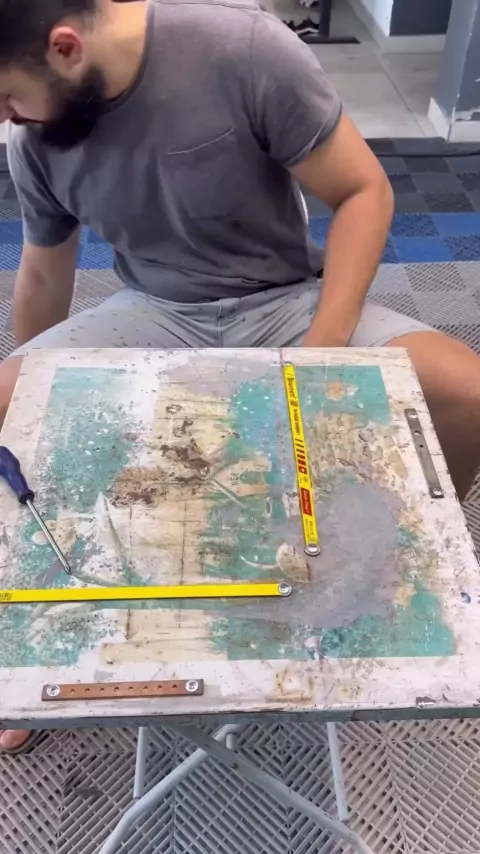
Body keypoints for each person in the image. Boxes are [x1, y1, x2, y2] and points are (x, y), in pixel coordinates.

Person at [0, 0, 479, 754]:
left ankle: (387, 563)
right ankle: (30, 649)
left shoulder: (245, 48)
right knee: (5, 413)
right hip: (157, 310)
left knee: (469, 396)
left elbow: (365, 193)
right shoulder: (34, 135)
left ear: (65, 48)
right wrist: (38, 414)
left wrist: (319, 358)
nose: (8, 119)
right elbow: (41, 274)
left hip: (284, 301)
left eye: (7, 98)